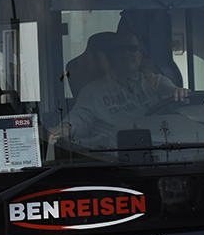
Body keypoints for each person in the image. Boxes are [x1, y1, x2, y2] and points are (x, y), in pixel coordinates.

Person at [50, 32, 188, 149]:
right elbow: (80, 117)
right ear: (111, 55)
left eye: (132, 48)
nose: (127, 53)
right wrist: (67, 126)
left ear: (141, 54)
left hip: (163, 152)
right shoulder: (92, 91)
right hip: (118, 160)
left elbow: (172, 91)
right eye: (120, 49)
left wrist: (178, 93)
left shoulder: (156, 82)